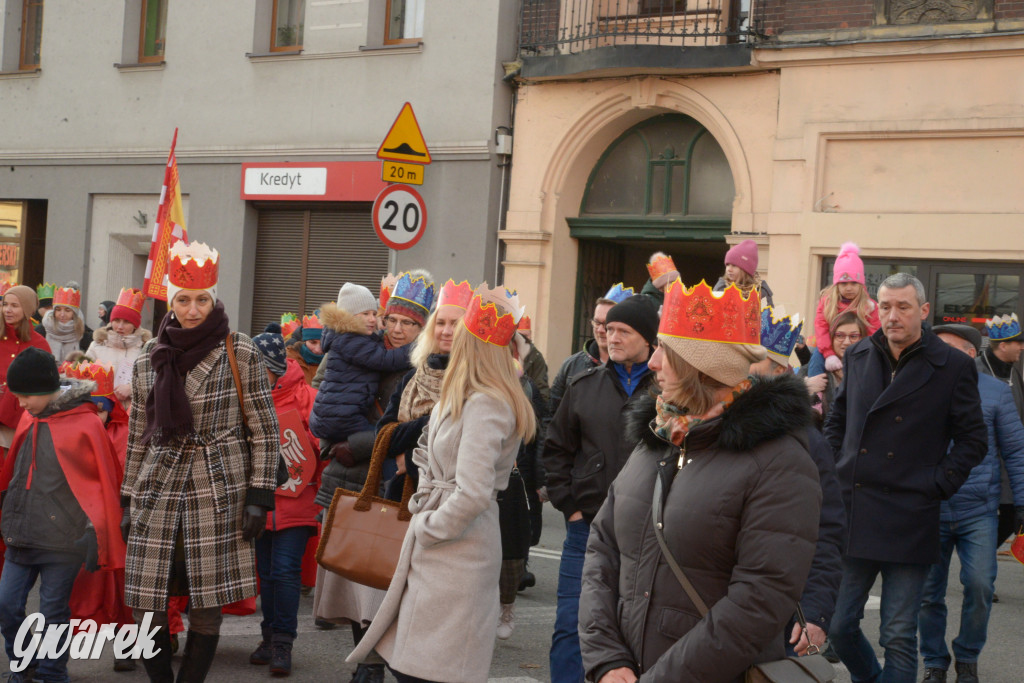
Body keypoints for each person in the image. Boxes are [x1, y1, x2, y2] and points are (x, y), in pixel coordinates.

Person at [579, 279, 821, 682]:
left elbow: (760, 598)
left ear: (702, 370)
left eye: (665, 352)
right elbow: (602, 549)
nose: (652, 363)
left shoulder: (779, 462)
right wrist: (607, 659)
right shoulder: (657, 438)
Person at [347, 284, 536, 682]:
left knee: (429, 671)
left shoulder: (486, 403)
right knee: (409, 663)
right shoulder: (466, 395)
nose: (449, 337)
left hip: (458, 553)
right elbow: (424, 449)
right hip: (441, 548)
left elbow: (472, 492)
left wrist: (428, 528)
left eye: (459, 331)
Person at [121, 242, 280, 683]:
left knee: (207, 603)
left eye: (202, 300)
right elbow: (138, 435)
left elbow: (264, 430)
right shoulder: (148, 357)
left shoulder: (240, 349)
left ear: (214, 299)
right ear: (171, 302)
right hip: (158, 487)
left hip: (218, 488)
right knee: (146, 602)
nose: (193, 310)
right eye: (184, 300)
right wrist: (127, 498)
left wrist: (259, 495)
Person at [824, 272, 988, 683]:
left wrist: (937, 483)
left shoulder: (952, 365)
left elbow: (973, 440)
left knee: (898, 634)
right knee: (839, 626)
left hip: (911, 513)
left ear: (924, 311)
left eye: (903, 307)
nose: (893, 316)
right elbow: (837, 420)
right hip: (855, 508)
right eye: (885, 307)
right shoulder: (859, 354)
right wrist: (834, 468)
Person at [312, 273, 427, 683]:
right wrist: (337, 441)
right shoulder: (361, 349)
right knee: (362, 579)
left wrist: (360, 442)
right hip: (351, 481)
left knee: (395, 585)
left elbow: (421, 427)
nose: (397, 329)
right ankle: (367, 663)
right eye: (392, 320)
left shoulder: (425, 367)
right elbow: (321, 408)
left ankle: (384, 663)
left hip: (398, 483)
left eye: (408, 324)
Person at [543, 293, 659, 683]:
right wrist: (570, 506)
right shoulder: (583, 385)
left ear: (649, 339)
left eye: (623, 331)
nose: (612, 337)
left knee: (635, 631)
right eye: (608, 330)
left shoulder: (668, 391)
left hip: (650, 533)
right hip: (586, 528)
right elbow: (556, 449)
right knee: (572, 625)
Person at [0, 347, 126, 683]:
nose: (21, 404)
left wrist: (92, 528)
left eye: (25, 395)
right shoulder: (31, 417)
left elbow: (101, 483)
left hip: (64, 541)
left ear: (45, 389)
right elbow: (14, 473)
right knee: (7, 606)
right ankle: (24, 662)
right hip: (20, 533)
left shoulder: (85, 423)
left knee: (53, 612)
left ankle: (53, 673)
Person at [917, 324, 1024, 683]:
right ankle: (934, 661)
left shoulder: (995, 392)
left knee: (980, 586)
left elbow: (1015, 450)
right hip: (930, 508)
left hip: (979, 509)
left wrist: (1022, 502)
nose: (939, 353)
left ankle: (967, 657)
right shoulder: (918, 386)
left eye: (949, 347)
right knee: (928, 594)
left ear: (969, 353)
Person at [751, 307, 845, 657]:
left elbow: (826, 530)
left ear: (780, 370)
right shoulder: (706, 427)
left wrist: (816, 611)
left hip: (779, 612)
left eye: (753, 359)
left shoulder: (807, 441)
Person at [249, 330, 320, 677]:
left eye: (260, 369)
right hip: (260, 503)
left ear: (276, 367)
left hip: (297, 499)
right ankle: (267, 636)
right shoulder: (246, 400)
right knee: (265, 573)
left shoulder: (307, 395)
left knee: (286, 571)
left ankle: (283, 642)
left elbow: (321, 444)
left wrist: (304, 440)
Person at [61, 360, 136, 672]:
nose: (95, 415)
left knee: (122, 591)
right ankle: (71, 644)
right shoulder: (67, 432)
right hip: (79, 526)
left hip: (117, 525)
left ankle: (126, 645)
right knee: (79, 589)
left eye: (101, 408)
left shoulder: (127, 433)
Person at [548, 283, 633, 416]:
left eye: (607, 325)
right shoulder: (571, 366)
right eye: (597, 322)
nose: (600, 330)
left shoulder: (639, 368)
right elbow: (551, 416)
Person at [977, 312, 1024, 548]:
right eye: (1019, 342)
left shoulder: (1013, 371)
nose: (1022, 347)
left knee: (1010, 520)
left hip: (1011, 466)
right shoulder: (975, 373)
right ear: (1003, 345)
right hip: (984, 468)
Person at [807, 242, 880, 376]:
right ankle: (815, 393)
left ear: (861, 284)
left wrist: (863, 353)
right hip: (829, 347)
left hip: (858, 351)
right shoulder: (827, 303)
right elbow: (821, 328)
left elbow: (873, 334)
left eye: (854, 283)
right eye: (844, 283)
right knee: (816, 358)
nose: (849, 287)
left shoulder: (869, 306)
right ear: (837, 285)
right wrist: (828, 354)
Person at [0, 285, 51, 451]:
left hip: (18, 418)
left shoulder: (39, 344)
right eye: (5, 304)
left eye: (14, 306)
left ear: (27, 309)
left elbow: (46, 384)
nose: (7, 310)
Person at [85, 287, 151, 409]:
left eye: (126, 322)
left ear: (135, 325)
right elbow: (82, 375)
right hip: (101, 409)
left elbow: (153, 380)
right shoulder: (97, 344)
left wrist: (131, 388)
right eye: (116, 320)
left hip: (133, 412)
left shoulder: (145, 349)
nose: (120, 326)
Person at [812, 311, 868, 421]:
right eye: (840, 336)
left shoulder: (871, 371)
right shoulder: (813, 371)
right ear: (831, 338)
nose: (847, 342)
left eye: (853, 336)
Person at [713, 238, 775, 307]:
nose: (729, 269)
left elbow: (768, 315)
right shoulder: (721, 287)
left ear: (745, 270)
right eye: (727, 265)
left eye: (734, 265)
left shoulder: (761, 289)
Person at [41, 286, 90, 362]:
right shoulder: (42, 330)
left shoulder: (82, 333)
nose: (62, 314)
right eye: (58, 310)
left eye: (67, 310)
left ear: (74, 313)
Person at [285, 312, 324, 384]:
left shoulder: (335, 362)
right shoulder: (288, 360)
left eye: (323, 343)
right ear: (305, 340)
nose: (318, 349)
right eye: (313, 342)